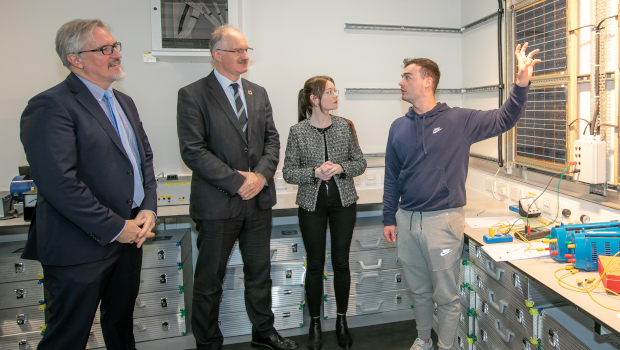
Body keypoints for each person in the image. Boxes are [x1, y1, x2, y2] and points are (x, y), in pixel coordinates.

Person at [382, 43, 541, 350]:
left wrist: (521, 83)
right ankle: (423, 339)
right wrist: (390, 216)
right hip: (406, 220)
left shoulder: (458, 120)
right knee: (418, 290)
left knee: (445, 293)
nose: (400, 83)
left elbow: (504, 117)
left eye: (407, 77)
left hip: (443, 221)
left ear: (428, 81)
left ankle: (445, 346)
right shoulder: (398, 127)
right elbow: (392, 175)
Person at [19, 19, 158, 350]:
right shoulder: (51, 105)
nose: (116, 55)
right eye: (104, 49)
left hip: (129, 238)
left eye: (115, 46)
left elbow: (144, 162)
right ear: (75, 58)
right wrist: (115, 227)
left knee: (121, 328)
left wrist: (148, 208)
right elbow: (59, 183)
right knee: (67, 336)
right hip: (78, 244)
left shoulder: (124, 102)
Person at [177, 25, 298, 350]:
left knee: (259, 273)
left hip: (257, 203)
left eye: (247, 50)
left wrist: (259, 176)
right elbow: (193, 150)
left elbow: (272, 139)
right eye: (237, 51)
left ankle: (263, 333)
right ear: (218, 55)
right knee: (209, 281)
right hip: (218, 205)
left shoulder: (257, 92)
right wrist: (238, 180)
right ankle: (208, 342)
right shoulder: (193, 94)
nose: (245, 56)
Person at [283, 76, 366, 350]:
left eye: (334, 90)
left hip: (344, 202)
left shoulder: (345, 126)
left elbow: (361, 162)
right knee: (316, 263)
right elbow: (288, 172)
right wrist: (314, 173)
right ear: (314, 99)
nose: (335, 95)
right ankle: (315, 322)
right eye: (329, 91)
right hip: (311, 204)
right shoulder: (298, 131)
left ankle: (342, 321)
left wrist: (341, 168)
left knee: (341, 262)